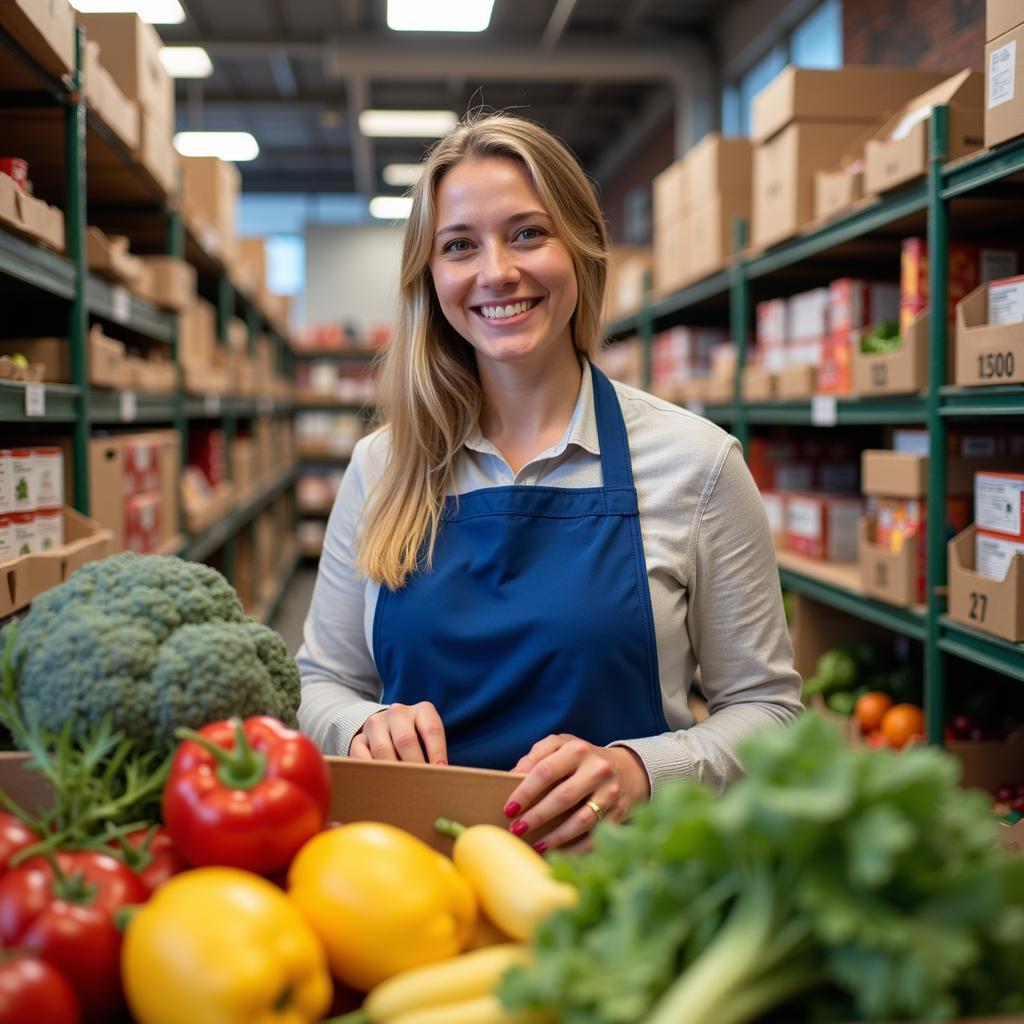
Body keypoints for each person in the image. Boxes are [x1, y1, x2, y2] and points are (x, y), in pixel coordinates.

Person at [297, 114, 802, 852]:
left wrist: (642, 770)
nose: (496, 271)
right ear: (430, 276)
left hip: (622, 888)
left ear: (581, 248)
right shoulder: (381, 467)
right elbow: (320, 683)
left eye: (528, 233)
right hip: (409, 883)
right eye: (459, 245)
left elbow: (768, 709)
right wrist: (362, 724)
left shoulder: (696, 464)